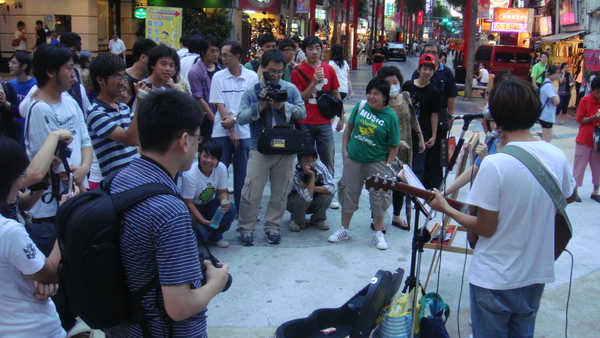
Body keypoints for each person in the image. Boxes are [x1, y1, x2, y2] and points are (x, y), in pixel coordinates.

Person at [427, 78, 578, 337]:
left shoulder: (495, 164)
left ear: (495, 116)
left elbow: (485, 228)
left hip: (495, 278)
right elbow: (570, 195)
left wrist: (445, 207)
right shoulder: (555, 156)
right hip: (535, 274)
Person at [103, 89, 229, 337]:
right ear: (184, 141)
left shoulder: (117, 180)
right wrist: (216, 283)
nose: (197, 145)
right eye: (197, 138)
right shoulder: (169, 210)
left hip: (123, 328)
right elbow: (179, 307)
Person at [236, 49, 306, 246]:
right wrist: (259, 106)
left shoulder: (290, 89)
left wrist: (283, 107)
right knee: (252, 190)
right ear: (262, 68)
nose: (276, 75)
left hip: (286, 148)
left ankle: (272, 227)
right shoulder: (252, 91)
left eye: (280, 71)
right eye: (272, 71)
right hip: (260, 147)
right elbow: (240, 118)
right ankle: (246, 228)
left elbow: (302, 113)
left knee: (281, 191)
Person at [0, 136, 66, 337]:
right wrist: (65, 218)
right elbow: (50, 272)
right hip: (34, 328)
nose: (24, 179)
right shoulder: (8, 231)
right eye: (21, 174)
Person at [23, 44, 93, 223]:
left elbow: (85, 140)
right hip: (52, 207)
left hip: (76, 195)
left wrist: (84, 168)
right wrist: (78, 182)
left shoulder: (69, 101)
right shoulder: (40, 109)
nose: (73, 73)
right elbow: (57, 164)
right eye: (69, 68)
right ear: (50, 72)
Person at [328, 78, 400, 250]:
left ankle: (377, 233)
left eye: (376, 94)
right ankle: (344, 229)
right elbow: (349, 129)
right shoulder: (361, 107)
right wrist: (345, 151)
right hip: (354, 159)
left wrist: (387, 166)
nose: (371, 97)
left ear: (385, 97)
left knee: (379, 197)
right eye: (369, 92)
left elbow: (394, 144)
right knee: (348, 192)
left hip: (378, 162)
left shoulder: (390, 116)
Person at [209, 41, 259, 209]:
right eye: (221, 55)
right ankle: (218, 207)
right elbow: (219, 105)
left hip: (245, 131)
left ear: (237, 57)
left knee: (243, 174)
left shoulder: (251, 76)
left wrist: (236, 121)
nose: (222, 58)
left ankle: (242, 209)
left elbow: (253, 105)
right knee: (219, 170)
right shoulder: (218, 76)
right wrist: (231, 129)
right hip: (221, 130)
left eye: (225, 55)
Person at [377, 66, 425, 231]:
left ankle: (397, 216)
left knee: (401, 183)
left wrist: (420, 137)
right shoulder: (379, 103)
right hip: (385, 150)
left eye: (395, 82)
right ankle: (377, 219)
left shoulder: (405, 96)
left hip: (405, 149)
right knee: (382, 184)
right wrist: (394, 143)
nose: (392, 85)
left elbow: (413, 119)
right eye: (387, 83)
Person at [291, 35, 343, 178]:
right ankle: (308, 191)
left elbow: (336, 93)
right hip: (304, 123)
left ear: (322, 50)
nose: (314, 52)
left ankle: (328, 192)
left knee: (328, 160)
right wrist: (313, 83)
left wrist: (341, 117)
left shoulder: (329, 69)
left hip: (324, 123)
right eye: (310, 48)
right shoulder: (297, 72)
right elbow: (300, 98)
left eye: (317, 48)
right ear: (304, 51)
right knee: (305, 161)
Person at [411, 41, 457, 190]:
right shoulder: (417, 73)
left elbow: (451, 97)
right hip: (421, 123)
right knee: (420, 158)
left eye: (434, 52)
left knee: (438, 158)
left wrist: (450, 116)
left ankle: (435, 190)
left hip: (441, 122)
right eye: (427, 51)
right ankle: (421, 189)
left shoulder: (446, 72)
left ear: (439, 55)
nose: (431, 55)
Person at [86, 53, 140, 179]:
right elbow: (130, 140)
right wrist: (140, 102)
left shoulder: (123, 107)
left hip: (135, 177)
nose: (122, 82)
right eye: (117, 77)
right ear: (100, 80)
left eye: (123, 76)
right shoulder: (95, 112)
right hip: (118, 183)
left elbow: (139, 138)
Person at [181, 139, 237, 248]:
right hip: (191, 208)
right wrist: (202, 221)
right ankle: (199, 233)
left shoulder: (221, 168)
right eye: (205, 156)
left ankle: (215, 237)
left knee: (231, 209)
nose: (208, 161)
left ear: (218, 160)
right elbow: (188, 202)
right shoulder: (190, 174)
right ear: (199, 155)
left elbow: (222, 191)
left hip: (209, 204)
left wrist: (225, 201)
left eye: (213, 158)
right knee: (201, 238)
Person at [403, 53, 441, 184]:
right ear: (419, 69)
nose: (427, 72)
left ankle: (415, 199)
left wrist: (434, 135)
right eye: (425, 68)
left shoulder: (435, 92)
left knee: (418, 168)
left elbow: (434, 114)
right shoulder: (407, 85)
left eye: (431, 69)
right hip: (405, 132)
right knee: (402, 166)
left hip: (423, 135)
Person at [287, 148, 335, 232]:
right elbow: (307, 197)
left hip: (313, 199)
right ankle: (297, 220)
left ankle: (318, 219)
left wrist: (309, 185)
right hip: (294, 202)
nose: (311, 164)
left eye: (313, 160)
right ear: (299, 161)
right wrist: (312, 176)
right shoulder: (295, 172)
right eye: (307, 161)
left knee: (326, 196)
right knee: (301, 198)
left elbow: (332, 188)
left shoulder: (320, 167)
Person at [189, 34, 222, 141]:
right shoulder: (195, 71)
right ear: (203, 52)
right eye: (212, 51)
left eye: (217, 51)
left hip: (221, 114)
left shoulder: (219, 67)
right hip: (206, 118)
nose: (215, 54)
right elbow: (199, 98)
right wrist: (213, 119)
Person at [574, 77, 600, 203]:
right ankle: (574, 191)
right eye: (598, 92)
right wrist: (594, 117)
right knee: (580, 165)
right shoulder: (585, 100)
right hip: (584, 138)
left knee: (598, 166)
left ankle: (595, 192)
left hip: (597, 140)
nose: (599, 95)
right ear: (593, 90)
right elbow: (580, 119)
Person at [8, 52, 36, 146]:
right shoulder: (10, 84)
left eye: (14, 62)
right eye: (10, 62)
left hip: (30, 129)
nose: (10, 65)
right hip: (14, 128)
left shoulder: (35, 86)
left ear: (23, 66)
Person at [124, 38, 157, 108]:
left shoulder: (150, 79)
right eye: (153, 60)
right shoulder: (121, 79)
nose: (154, 64)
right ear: (143, 58)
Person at [539, 65, 560, 143]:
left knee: (547, 137)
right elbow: (556, 101)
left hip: (545, 114)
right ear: (550, 73)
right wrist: (556, 95)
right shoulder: (548, 86)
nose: (558, 75)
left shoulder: (546, 84)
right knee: (547, 138)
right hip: (546, 115)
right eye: (556, 73)